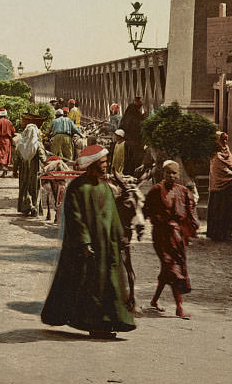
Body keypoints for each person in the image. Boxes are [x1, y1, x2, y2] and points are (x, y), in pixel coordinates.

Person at [41, 145, 136, 338]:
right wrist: (84, 242)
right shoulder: (77, 188)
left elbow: (113, 217)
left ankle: (109, 323)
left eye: (106, 162)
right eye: (102, 163)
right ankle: (96, 325)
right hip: (89, 248)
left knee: (110, 285)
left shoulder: (105, 188)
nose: (106, 166)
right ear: (92, 165)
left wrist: (120, 237)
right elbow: (75, 217)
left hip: (108, 246)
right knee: (92, 286)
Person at [144, 160, 198, 319]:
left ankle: (154, 301)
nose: (171, 176)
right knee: (172, 268)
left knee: (167, 270)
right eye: (168, 172)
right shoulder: (155, 191)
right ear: (163, 173)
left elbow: (190, 210)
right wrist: (158, 219)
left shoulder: (183, 191)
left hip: (176, 236)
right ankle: (179, 307)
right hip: (161, 236)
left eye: (174, 173)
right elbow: (147, 210)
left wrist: (193, 226)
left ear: (179, 174)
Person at [206, 131, 232, 242]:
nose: (224, 141)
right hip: (219, 190)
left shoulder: (227, 152)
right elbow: (220, 172)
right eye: (222, 139)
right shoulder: (215, 155)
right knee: (220, 211)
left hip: (230, 189)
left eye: (226, 139)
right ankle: (219, 234)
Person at [15, 122, 48, 216]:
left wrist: (14, 171)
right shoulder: (38, 145)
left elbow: (16, 160)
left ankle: (25, 208)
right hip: (35, 171)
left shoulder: (20, 145)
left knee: (24, 188)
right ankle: (35, 208)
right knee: (35, 189)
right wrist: (48, 164)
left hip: (23, 172)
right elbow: (43, 159)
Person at [120, 96, 147, 177]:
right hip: (136, 143)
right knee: (135, 160)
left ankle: (127, 174)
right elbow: (138, 126)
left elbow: (123, 125)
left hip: (128, 141)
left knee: (128, 160)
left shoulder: (129, 112)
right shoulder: (136, 115)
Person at [0, 108, 15, 177]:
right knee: (6, 154)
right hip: (7, 140)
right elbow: (13, 131)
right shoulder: (9, 122)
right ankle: (5, 167)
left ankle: (0, 165)